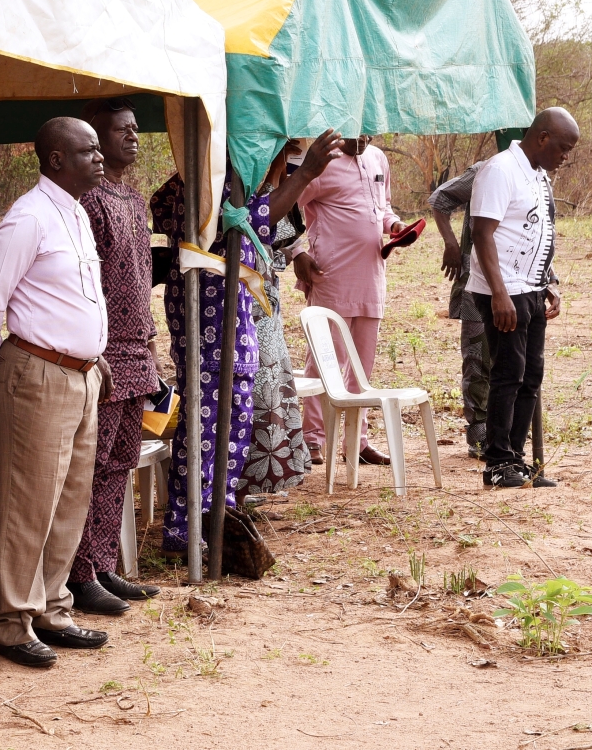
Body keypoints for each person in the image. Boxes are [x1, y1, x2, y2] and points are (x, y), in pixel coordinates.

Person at [150, 130, 342, 556]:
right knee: (206, 427)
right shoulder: (212, 177)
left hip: (233, 318)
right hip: (209, 315)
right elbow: (253, 220)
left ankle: (218, 518)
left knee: (232, 424)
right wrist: (305, 174)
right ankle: (186, 529)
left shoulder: (226, 176)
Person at [0, 117, 113, 668]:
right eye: (88, 150)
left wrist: (93, 354)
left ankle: (52, 608)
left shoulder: (75, 212)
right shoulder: (28, 217)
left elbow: (73, 298)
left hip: (81, 373)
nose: (99, 158)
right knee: (28, 502)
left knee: (69, 498)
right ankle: (13, 622)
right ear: (56, 160)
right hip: (36, 372)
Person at [65, 99, 163, 614]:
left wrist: (151, 343)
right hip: (102, 353)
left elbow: (140, 277)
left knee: (120, 464)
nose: (132, 137)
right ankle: (78, 573)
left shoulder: (133, 198)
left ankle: (102, 565)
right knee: (92, 464)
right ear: (96, 140)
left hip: (136, 349)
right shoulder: (88, 200)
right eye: (121, 129)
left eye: (135, 129)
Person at [467, 107, 578, 488]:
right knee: (508, 375)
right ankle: (497, 463)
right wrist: (499, 294)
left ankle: (514, 459)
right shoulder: (500, 170)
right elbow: (482, 234)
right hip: (503, 291)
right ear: (543, 138)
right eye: (563, 148)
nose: (566, 157)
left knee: (530, 376)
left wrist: (547, 280)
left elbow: (531, 233)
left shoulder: (538, 174)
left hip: (530, 288)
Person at [294, 135, 404, 467]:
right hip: (330, 275)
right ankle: (313, 437)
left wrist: (395, 225)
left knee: (362, 364)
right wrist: (296, 251)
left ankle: (356, 441)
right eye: (355, 132)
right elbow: (287, 208)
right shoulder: (320, 161)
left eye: (367, 132)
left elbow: (383, 207)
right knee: (325, 359)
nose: (362, 139)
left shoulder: (378, 158)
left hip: (371, 276)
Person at [240, 144, 312, 494]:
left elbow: (282, 235)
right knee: (256, 387)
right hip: (247, 300)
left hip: (266, 296)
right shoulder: (243, 186)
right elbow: (264, 222)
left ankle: (259, 482)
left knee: (269, 383)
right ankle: (244, 483)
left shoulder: (270, 183)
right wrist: (290, 172)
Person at [428, 160, 489, 460]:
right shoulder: (484, 171)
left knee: (513, 362)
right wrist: (451, 243)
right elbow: (440, 199)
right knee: (477, 357)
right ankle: (479, 435)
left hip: (519, 284)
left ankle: (506, 434)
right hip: (477, 281)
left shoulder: (537, 176)